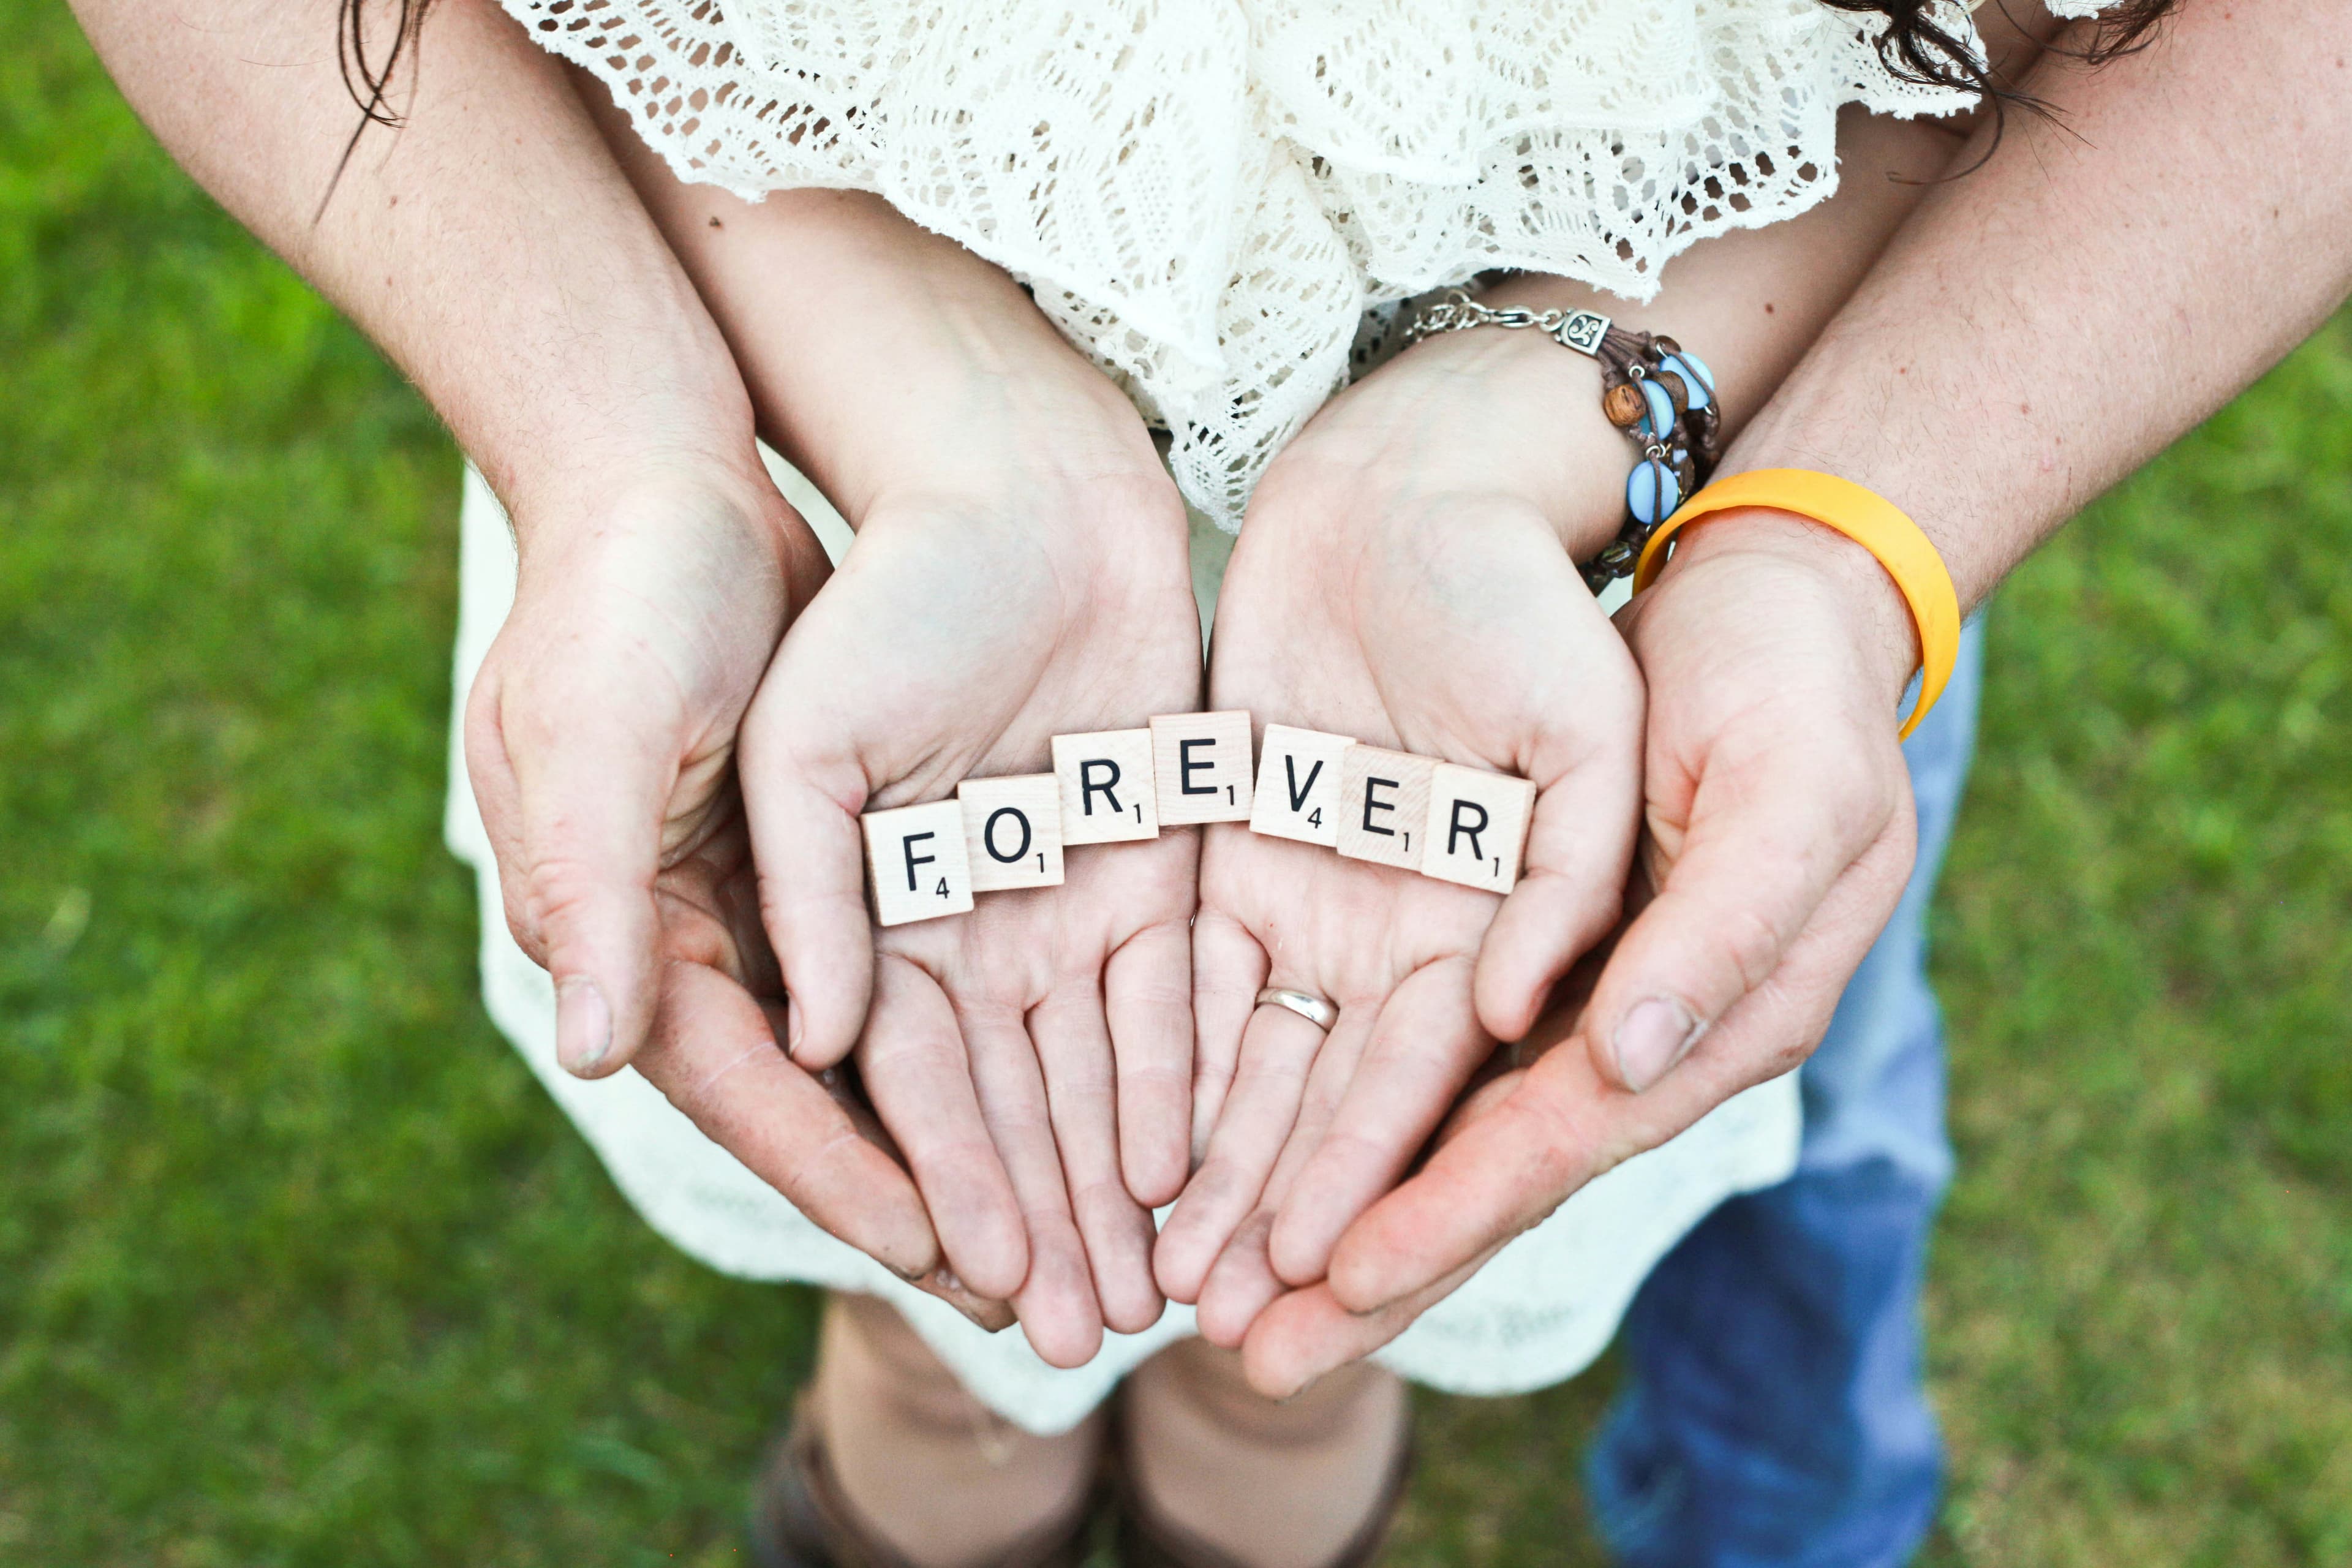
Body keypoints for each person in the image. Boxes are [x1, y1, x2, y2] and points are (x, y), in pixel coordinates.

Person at [66, 1, 2351, 1566]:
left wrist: (1832, 544)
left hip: (1619, 556)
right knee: (945, 1319)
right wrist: (623, 447)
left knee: (1318, 1328)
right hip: (813, 457)